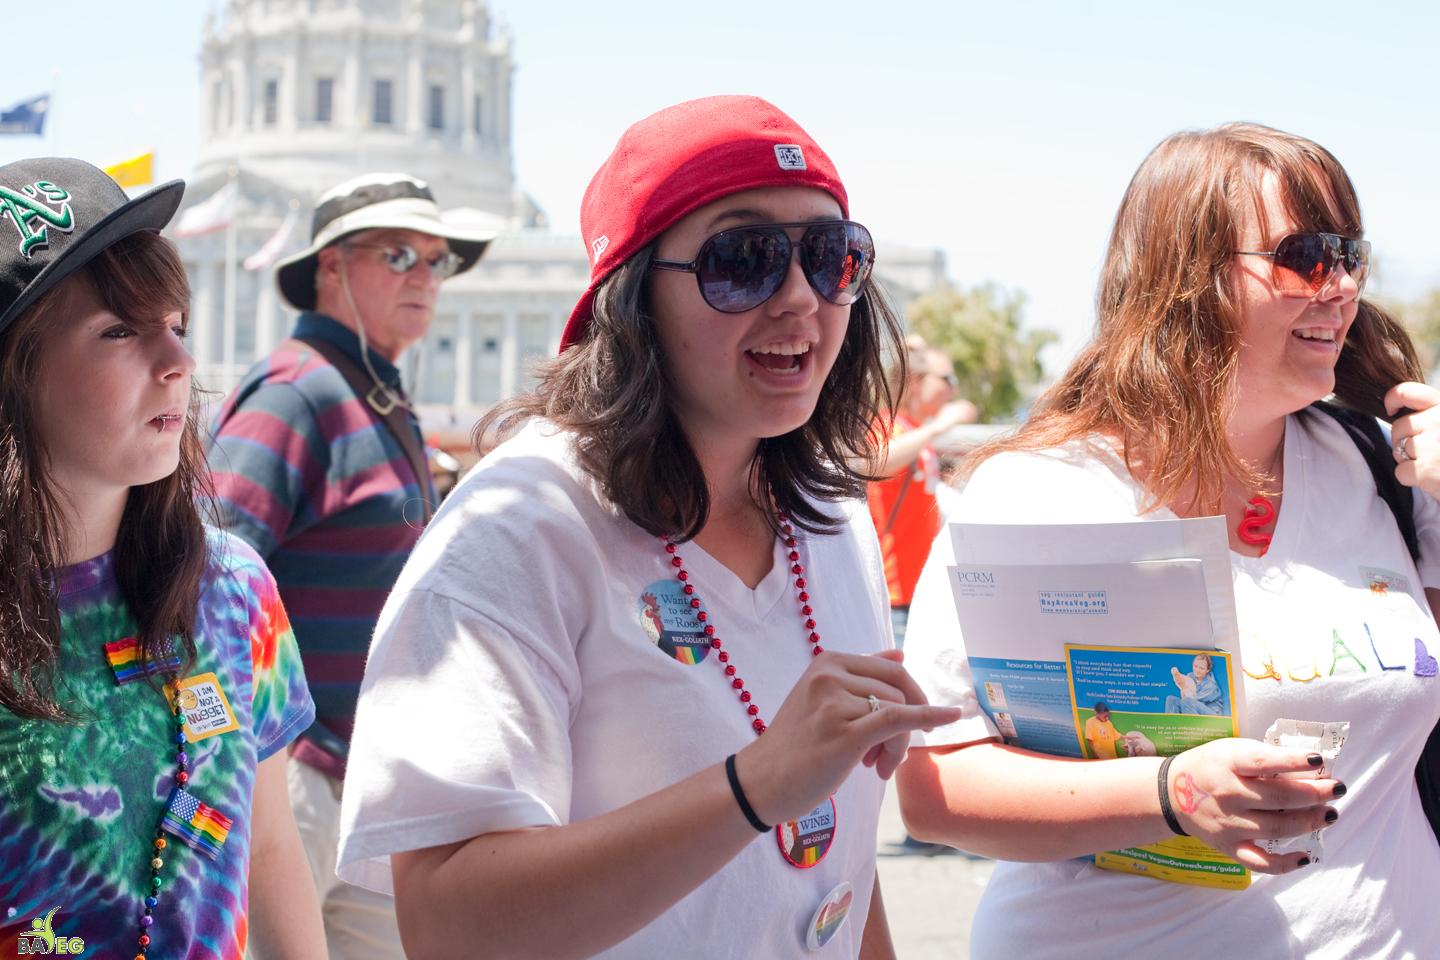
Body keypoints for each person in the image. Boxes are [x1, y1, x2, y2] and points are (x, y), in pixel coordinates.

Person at [335, 95, 961, 959]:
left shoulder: (828, 514)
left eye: (830, 257)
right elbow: (448, 925)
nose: (797, 298)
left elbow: (833, 869)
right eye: (741, 260)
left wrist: (793, 787)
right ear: (630, 299)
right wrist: (758, 784)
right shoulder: (516, 529)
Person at [896, 123, 1440, 958]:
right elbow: (935, 789)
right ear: (1189, 282)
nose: (1341, 288)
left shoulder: (1383, 467)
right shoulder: (1035, 493)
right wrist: (1168, 788)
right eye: (1305, 256)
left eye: (1350, 255)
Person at [0, 158, 322, 957]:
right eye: (119, 330)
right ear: (16, 373)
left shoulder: (237, 589)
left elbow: (270, 850)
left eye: (177, 322)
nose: (176, 360)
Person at [206, 172, 493, 955]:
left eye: (438, 260)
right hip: (295, 773)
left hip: (366, 776)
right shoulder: (298, 392)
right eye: (399, 254)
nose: (425, 277)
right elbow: (204, 574)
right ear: (331, 267)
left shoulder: (371, 392)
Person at [865, 336, 977, 646]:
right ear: (916, 382)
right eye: (946, 379)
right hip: (893, 596)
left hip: (917, 592)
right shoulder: (889, 425)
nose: (953, 389)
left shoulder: (914, 429)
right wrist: (939, 427)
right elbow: (878, 461)